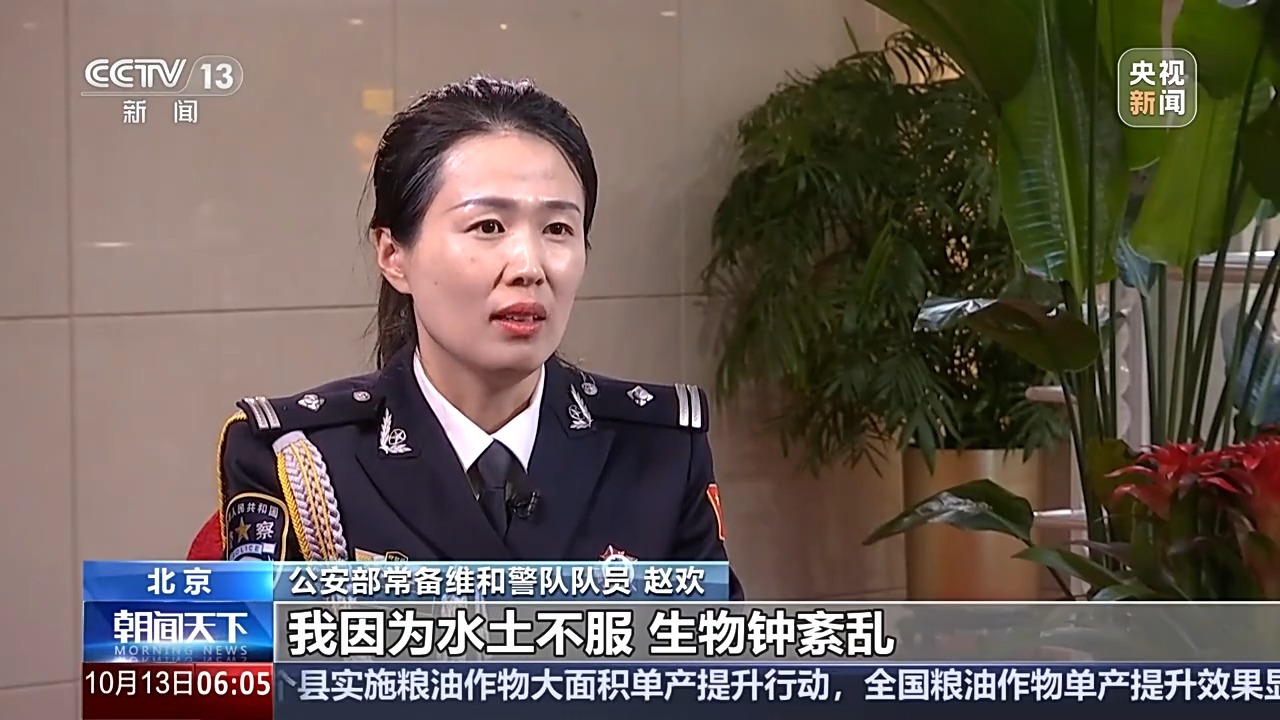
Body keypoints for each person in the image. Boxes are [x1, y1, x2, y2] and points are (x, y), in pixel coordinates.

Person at [210, 76, 742, 599]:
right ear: (393, 255)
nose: (529, 267)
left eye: (557, 229)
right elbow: (258, 653)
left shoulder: (660, 451)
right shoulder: (301, 459)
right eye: (488, 227)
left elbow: (714, 653)